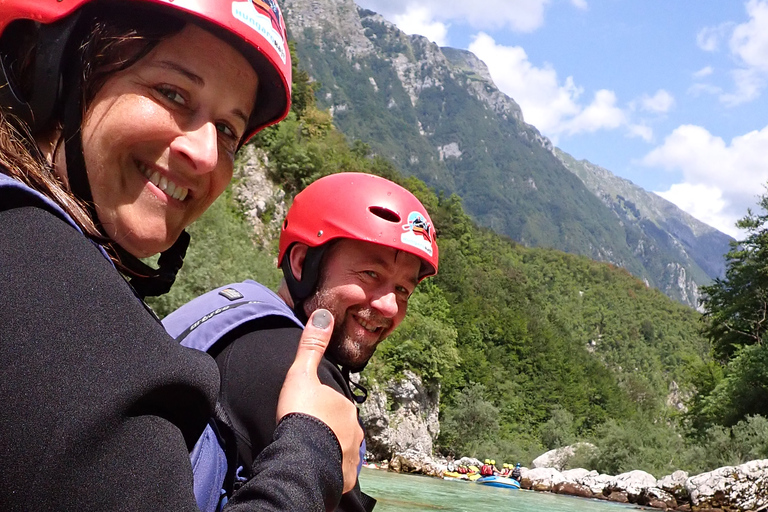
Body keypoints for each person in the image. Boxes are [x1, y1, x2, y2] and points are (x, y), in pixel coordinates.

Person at [0, 1, 362, 510]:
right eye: (171, 93)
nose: (206, 153)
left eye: (228, 131)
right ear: (48, 68)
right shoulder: (45, 288)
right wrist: (310, 455)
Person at [163, 171, 440, 511]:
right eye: (371, 275)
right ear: (301, 262)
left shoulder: (232, 307)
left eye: (402, 290)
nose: (389, 305)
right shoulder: (302, 374)